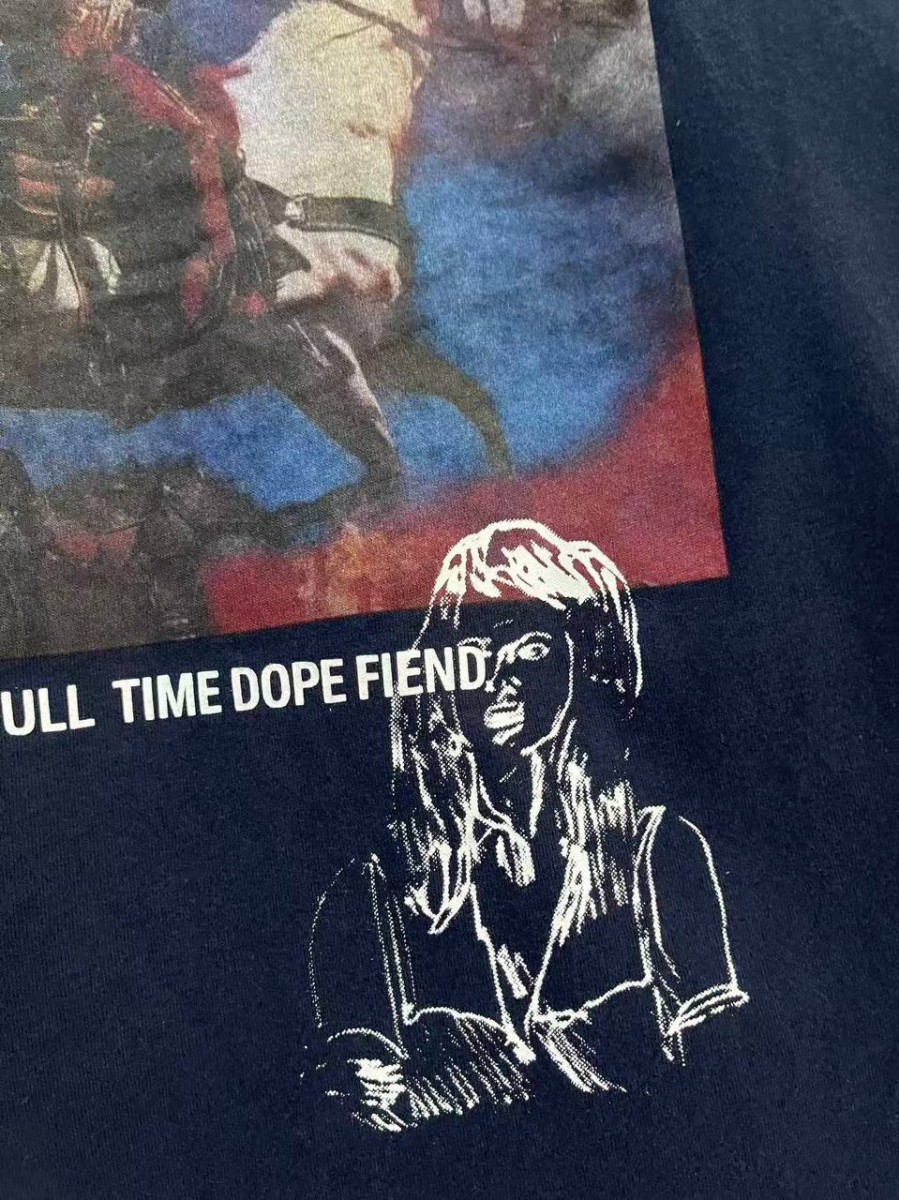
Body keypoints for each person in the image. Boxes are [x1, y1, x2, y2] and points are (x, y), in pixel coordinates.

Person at [308, 519, 749, 1131]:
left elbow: (729, 1089)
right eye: (474, 653)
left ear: (581, 661)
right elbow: (355, 1126)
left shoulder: (659, 854)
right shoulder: (375, 896)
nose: (498, 677)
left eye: (532, 650)